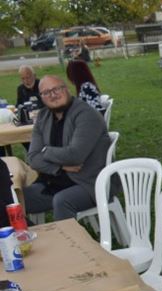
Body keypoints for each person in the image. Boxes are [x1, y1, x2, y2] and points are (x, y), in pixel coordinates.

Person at [23, 75, 111, 221]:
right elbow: (32, 158)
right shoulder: (43, 117)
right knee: (15, 197)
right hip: (54, 181)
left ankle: (68, 236)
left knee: (62, 200)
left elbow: (75, 155)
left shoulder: (86, 114)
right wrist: (59, 167)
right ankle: (30, 234)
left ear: (67, 89)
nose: (53, 95)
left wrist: (45, 150)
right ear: (41, 97)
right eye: (46, 92)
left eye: (57, 89)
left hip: (89, 183)